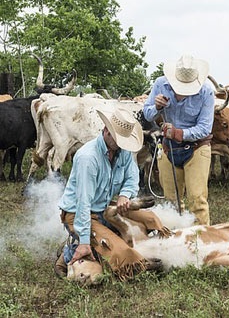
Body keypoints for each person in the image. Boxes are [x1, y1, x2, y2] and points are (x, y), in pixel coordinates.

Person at [55, 106, 161, 281]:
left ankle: (89, 243)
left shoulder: (123, 151)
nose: (121, 145)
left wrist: (124, 195)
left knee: (147, 219)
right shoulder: (87, 158)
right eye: (118, 140)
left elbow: (132, 177)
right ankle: (71, 253)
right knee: (118, 247)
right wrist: (84, 241)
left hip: (103, 207)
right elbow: (83, 202)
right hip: (78, 213)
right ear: (106, 131)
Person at [143, 54, 214, 225]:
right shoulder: (161, 84)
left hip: (197, 148)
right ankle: (176, 242)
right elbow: (147, 113)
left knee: (197, 200)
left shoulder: (206, 92)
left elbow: (205, 128)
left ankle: (201, 244)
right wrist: (157, 107)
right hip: (168, 148)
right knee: (171, 201)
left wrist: (178, 133)